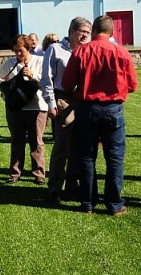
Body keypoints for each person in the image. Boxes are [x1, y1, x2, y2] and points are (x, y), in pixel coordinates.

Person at [62, 16, 137, 216]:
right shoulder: (121, 52)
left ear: (93, 30)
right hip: (113, 109)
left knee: (86, 157)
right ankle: (114, 204)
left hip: (87, 108)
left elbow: (67, 84)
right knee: (114, 158)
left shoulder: (80, 52)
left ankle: (88, 202)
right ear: (112, 32)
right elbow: (132, 85)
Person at [41, 17, 91, 203]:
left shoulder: (87, 50)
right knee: (62, 147)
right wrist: (51, 104)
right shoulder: (55, 50)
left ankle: (73, 186)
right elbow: (47, 78)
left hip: (83, 102)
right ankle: (54, 188)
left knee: (79, 148)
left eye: (88, 32)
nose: (85, 35)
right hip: (63, 99)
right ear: (71, 31)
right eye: (82, 32)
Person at [0, 34, 48, 185]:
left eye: (20, 50)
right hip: (15, 108)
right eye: (15, 51)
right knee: (17, 140)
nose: (17, 54)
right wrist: (6, 86)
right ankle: (15, 173)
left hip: (37, 107)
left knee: (37, 142)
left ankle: (39, 174)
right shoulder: (10, 63)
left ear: (28, 48)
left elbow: (47, 82)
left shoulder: (40, 61)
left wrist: (33, 75)